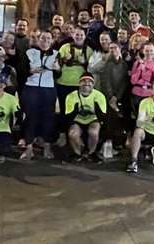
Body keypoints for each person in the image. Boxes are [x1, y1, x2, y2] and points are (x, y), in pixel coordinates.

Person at [20, 31, 59, 161]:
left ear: (52, 40)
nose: (45, 40)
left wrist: (58, 69)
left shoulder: (56, 54)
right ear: (38, 39)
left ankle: (47, 146)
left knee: (48, 117)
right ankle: (29, 147)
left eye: (48, 38)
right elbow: (22, 71)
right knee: (30, 116)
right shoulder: (29, 52)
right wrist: (31, 71)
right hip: (31, 87)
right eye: (43, 38)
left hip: (48, 88)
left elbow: (58, 75)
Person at [91, 37, 129, 159]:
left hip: (118, 97)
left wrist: (117, 97)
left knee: (117, 121)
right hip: (107, 97)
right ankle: (106, 144)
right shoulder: (107, 64)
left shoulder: (124, 64)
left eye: (115, 47)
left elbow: (124, 82)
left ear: (120, 49)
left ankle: (114, 144)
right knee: (108, 121)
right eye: (111, 48)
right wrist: (111, 97)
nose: (113, 50)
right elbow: (105, 82)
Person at [64, 73, 107, 161]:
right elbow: (69, 117)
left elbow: (102, 117)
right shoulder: (71, 96)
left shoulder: (99, 96)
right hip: (77, 120)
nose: (86, 83)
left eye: (89, 81)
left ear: (93, 84)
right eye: (84, 81)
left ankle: (91, 153)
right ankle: (78, 153)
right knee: (72, 133)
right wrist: (76, 109)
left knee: (93, 132)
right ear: (79, 83)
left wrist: (96, 108)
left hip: (93, 120)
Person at [57, 28, 94, 115]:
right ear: (73, 35)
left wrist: (84, 63)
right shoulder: (65, 47)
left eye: (81, 35)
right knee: (64, 110)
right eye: (77, 34)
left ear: (85, 36)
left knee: (79, 110)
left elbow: (92, 69)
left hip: (80, 84)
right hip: (64, 83)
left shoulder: (89, 50)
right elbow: (56, 64)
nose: (79, 37)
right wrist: (64, 59)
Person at [129, 43, 154, 117]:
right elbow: (133, 81)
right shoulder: (137, 63)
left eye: (151, 50)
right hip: (136, 94)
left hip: (150, 94)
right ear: (143, 51)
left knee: (148, 117)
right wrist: (139, 70)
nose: (149, 53)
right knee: (136, 117)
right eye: (147, 50)